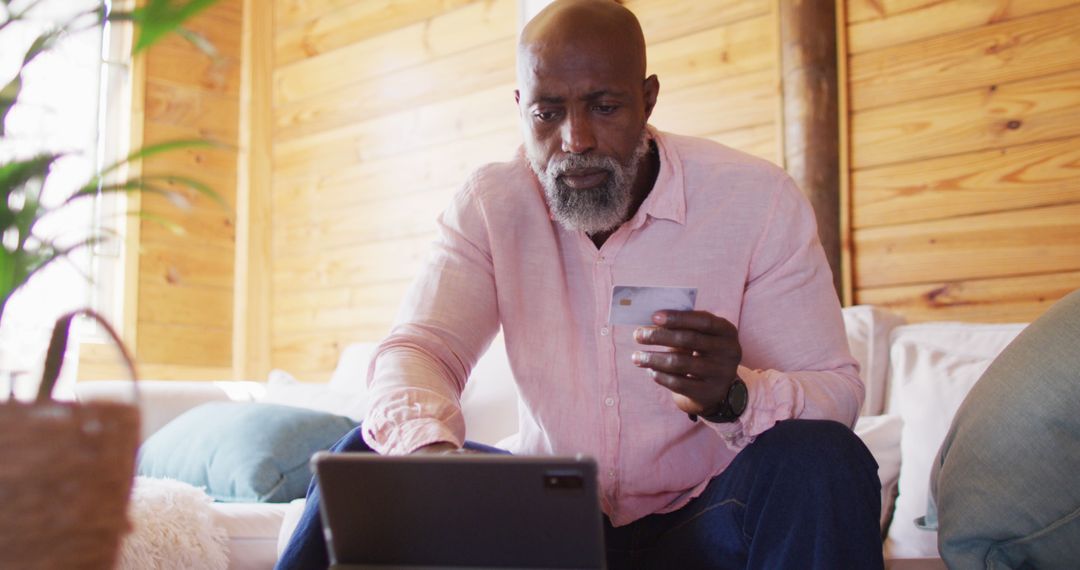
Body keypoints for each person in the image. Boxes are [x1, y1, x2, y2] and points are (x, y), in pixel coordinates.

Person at [278, 1, 884, 568]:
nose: (576, 141)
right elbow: (418, 351)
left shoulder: (756, 200)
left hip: (705, 514)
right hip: (545, 524)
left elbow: (836, 393)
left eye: (604, 106)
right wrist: (433, 464)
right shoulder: (492, 204)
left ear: (647, 101)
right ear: (521, 106)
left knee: (824, 461)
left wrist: (734, 396)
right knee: (368, 452)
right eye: (548, 112)